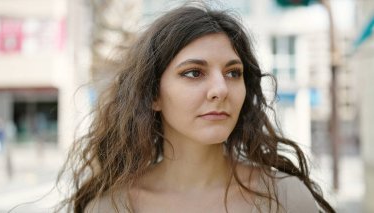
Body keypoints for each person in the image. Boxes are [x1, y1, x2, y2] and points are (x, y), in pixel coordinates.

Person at [57, 3, 335, 213]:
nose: (221, 89)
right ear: (153, 94)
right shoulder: (111, 207)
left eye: (233, 73)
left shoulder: (286, 197)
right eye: (194, 73)